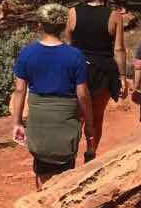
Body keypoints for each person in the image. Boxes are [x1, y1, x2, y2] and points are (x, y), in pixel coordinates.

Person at [12, 17, 96, 190]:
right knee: (65, 169)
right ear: (64, 27)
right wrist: (89, 123)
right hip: (66, 119)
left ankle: (41, 201)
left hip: (39, 120)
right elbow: (82, 94)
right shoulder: (75, 55)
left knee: (41, 164)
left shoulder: (27, 53)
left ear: (40, 25)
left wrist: (17, 122)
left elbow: (20, 90)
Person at [66, 0, 127, 161]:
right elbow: (119, 49)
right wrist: (122, 76)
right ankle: (90, 153)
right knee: (97, 116)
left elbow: (69, 44)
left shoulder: (72, 12)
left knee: (76, 116)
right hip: (102, 71)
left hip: (77, 69)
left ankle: (69, 155)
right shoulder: (114, 15)